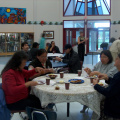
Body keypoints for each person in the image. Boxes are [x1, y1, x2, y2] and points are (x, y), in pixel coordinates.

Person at [93, 53, 120, 120]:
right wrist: (107, 79)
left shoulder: (118, 76)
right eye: (101, 57)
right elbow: (116, 84)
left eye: (117, 59)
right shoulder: (118, 75)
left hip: (115, 108)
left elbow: (108, 92)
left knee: (98, 101)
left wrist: (96, 85)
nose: (102, 59)